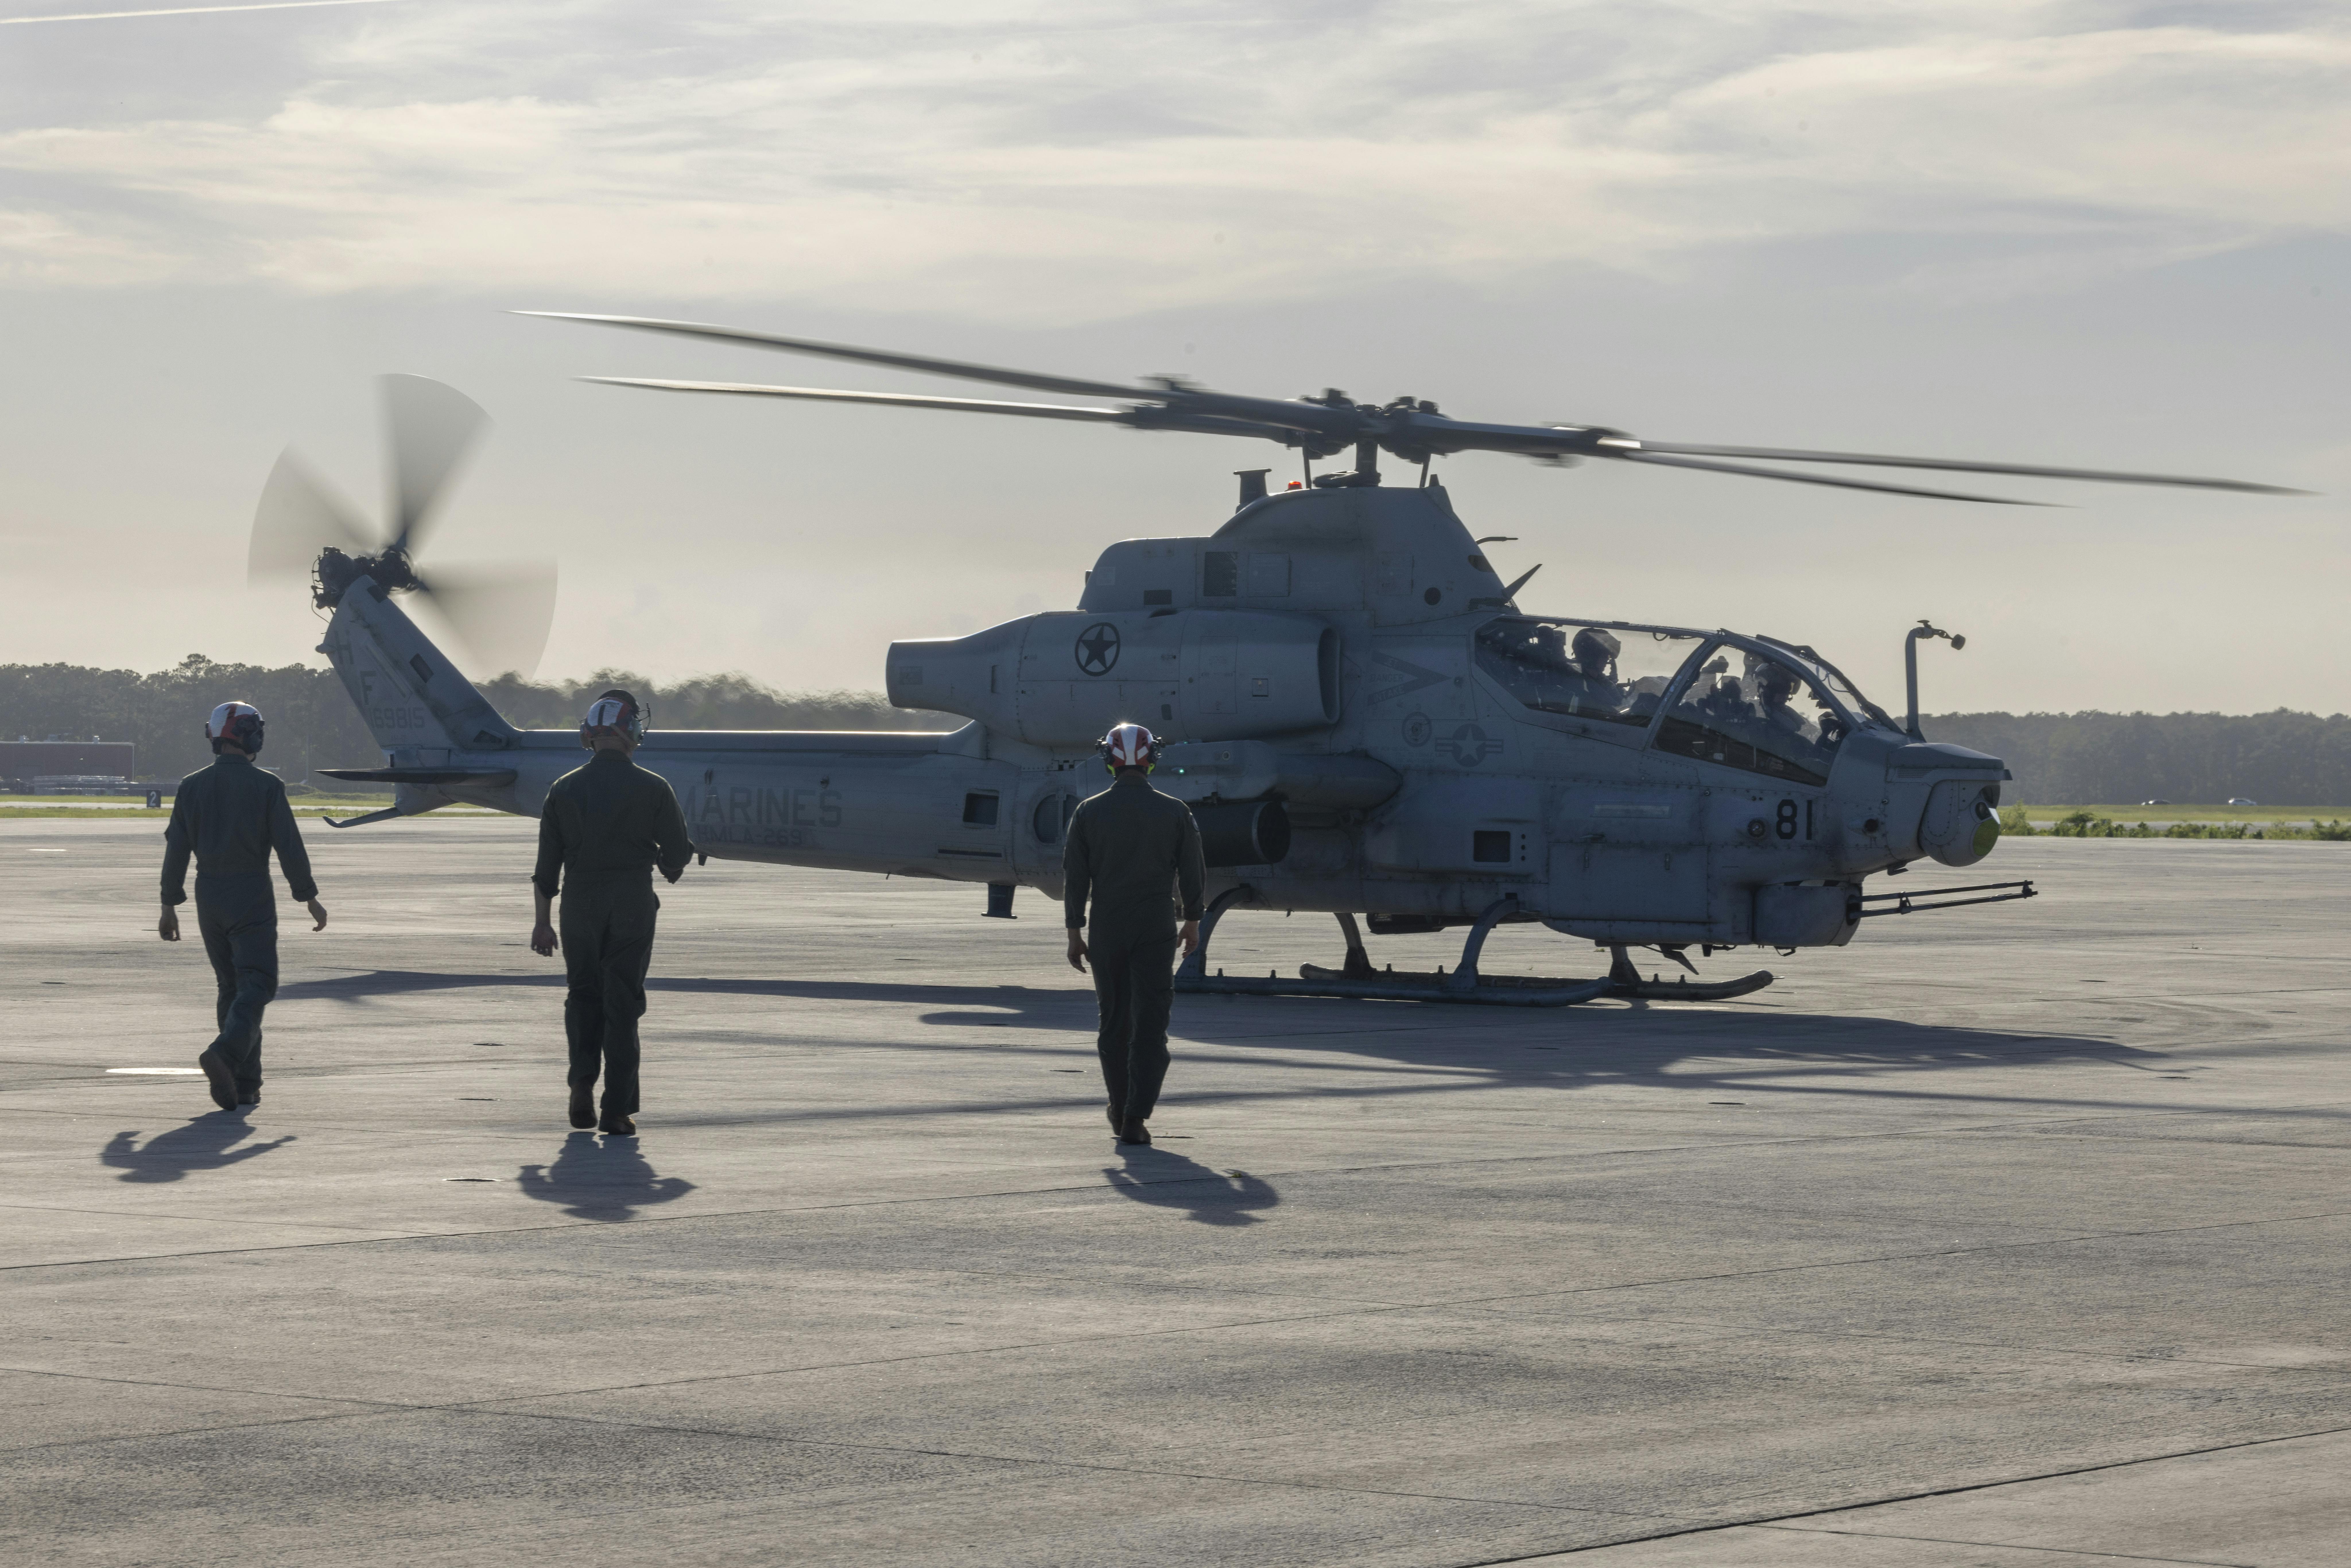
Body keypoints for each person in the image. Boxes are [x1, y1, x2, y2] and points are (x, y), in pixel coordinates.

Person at [529, 690, 693, 1136]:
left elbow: (546, 870)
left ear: (590, 735)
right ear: (632, 734)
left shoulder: (562, 789)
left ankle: (581, 1084)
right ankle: (617, 1111)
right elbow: (677, 855)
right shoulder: (655, 787)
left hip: (577, 905)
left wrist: (543, 923)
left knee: (583, 995)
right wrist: (669, 863)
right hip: (631, 904)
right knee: (623, 1002)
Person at [157, 702, 329, 1112]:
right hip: (250, 892)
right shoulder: (266, 786)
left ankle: (246, 1084)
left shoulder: (191, 786)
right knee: (259, 985)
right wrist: (308, 897)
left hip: (207, 895)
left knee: (231, 988)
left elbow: (176, 849)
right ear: (244, 733)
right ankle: (226, 1055)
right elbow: (289, 846)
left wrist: (168, 904)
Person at [1062, 723, 1206, 1146]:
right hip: (1156, 928)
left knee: (1114, 1023)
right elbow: (1193, 872)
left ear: (1109, 760)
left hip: (1108, 928)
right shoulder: (1176, 811)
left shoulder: (1088, 811)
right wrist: (1193, 920)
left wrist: (1075, 933)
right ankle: (1135, 1118)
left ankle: (1119, 1104)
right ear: (1151, 760)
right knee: (1152, 1026)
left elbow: (1076, 878)